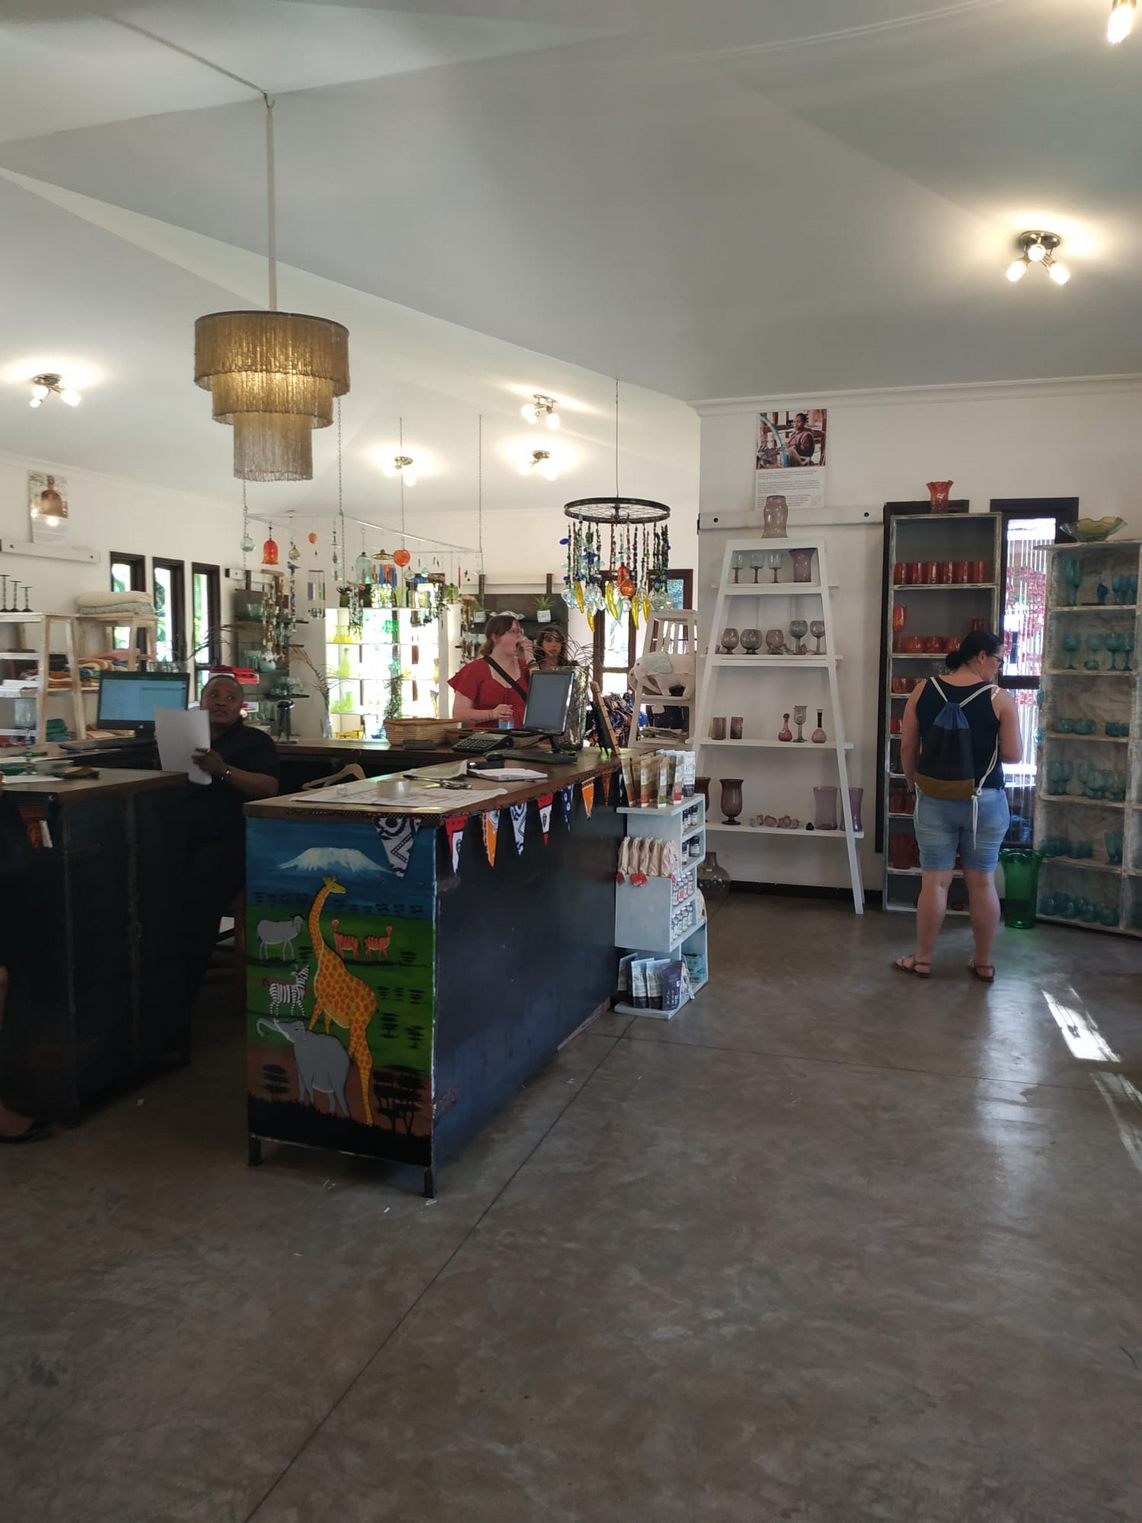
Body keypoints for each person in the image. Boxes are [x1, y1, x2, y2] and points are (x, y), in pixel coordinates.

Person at [894, 629, 1022, 982]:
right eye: (997, 660)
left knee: (934, 882)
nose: (998, 667)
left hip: (934, 798)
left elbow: (907, 746)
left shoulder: (924, 689)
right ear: (981, 656)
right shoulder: (999, 698)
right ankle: (983, 963)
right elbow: (1013, 755)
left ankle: (923, 960)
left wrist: (912, 783)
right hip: (985, 800)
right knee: (982, 883)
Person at [186, 673, 280, 995]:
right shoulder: (184, 739)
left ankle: (188, 986)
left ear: (241, 706)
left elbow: (268, 787)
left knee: (201, 890)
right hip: (183, 836)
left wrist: (222, 770)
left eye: (230, 698)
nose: (221, 703)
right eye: (214, 696)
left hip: (232, 839)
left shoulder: (254, 742)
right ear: (202, 702)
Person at [448, 615, 532, 728]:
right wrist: (491, 714)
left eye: (520, 632)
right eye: (513, 632)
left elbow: (543, 700)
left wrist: (531, 658)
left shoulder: (526, 668)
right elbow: (459, 713)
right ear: (495, 637)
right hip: (486, 736)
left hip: (524, 737)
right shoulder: (474, 669)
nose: (519, 637)